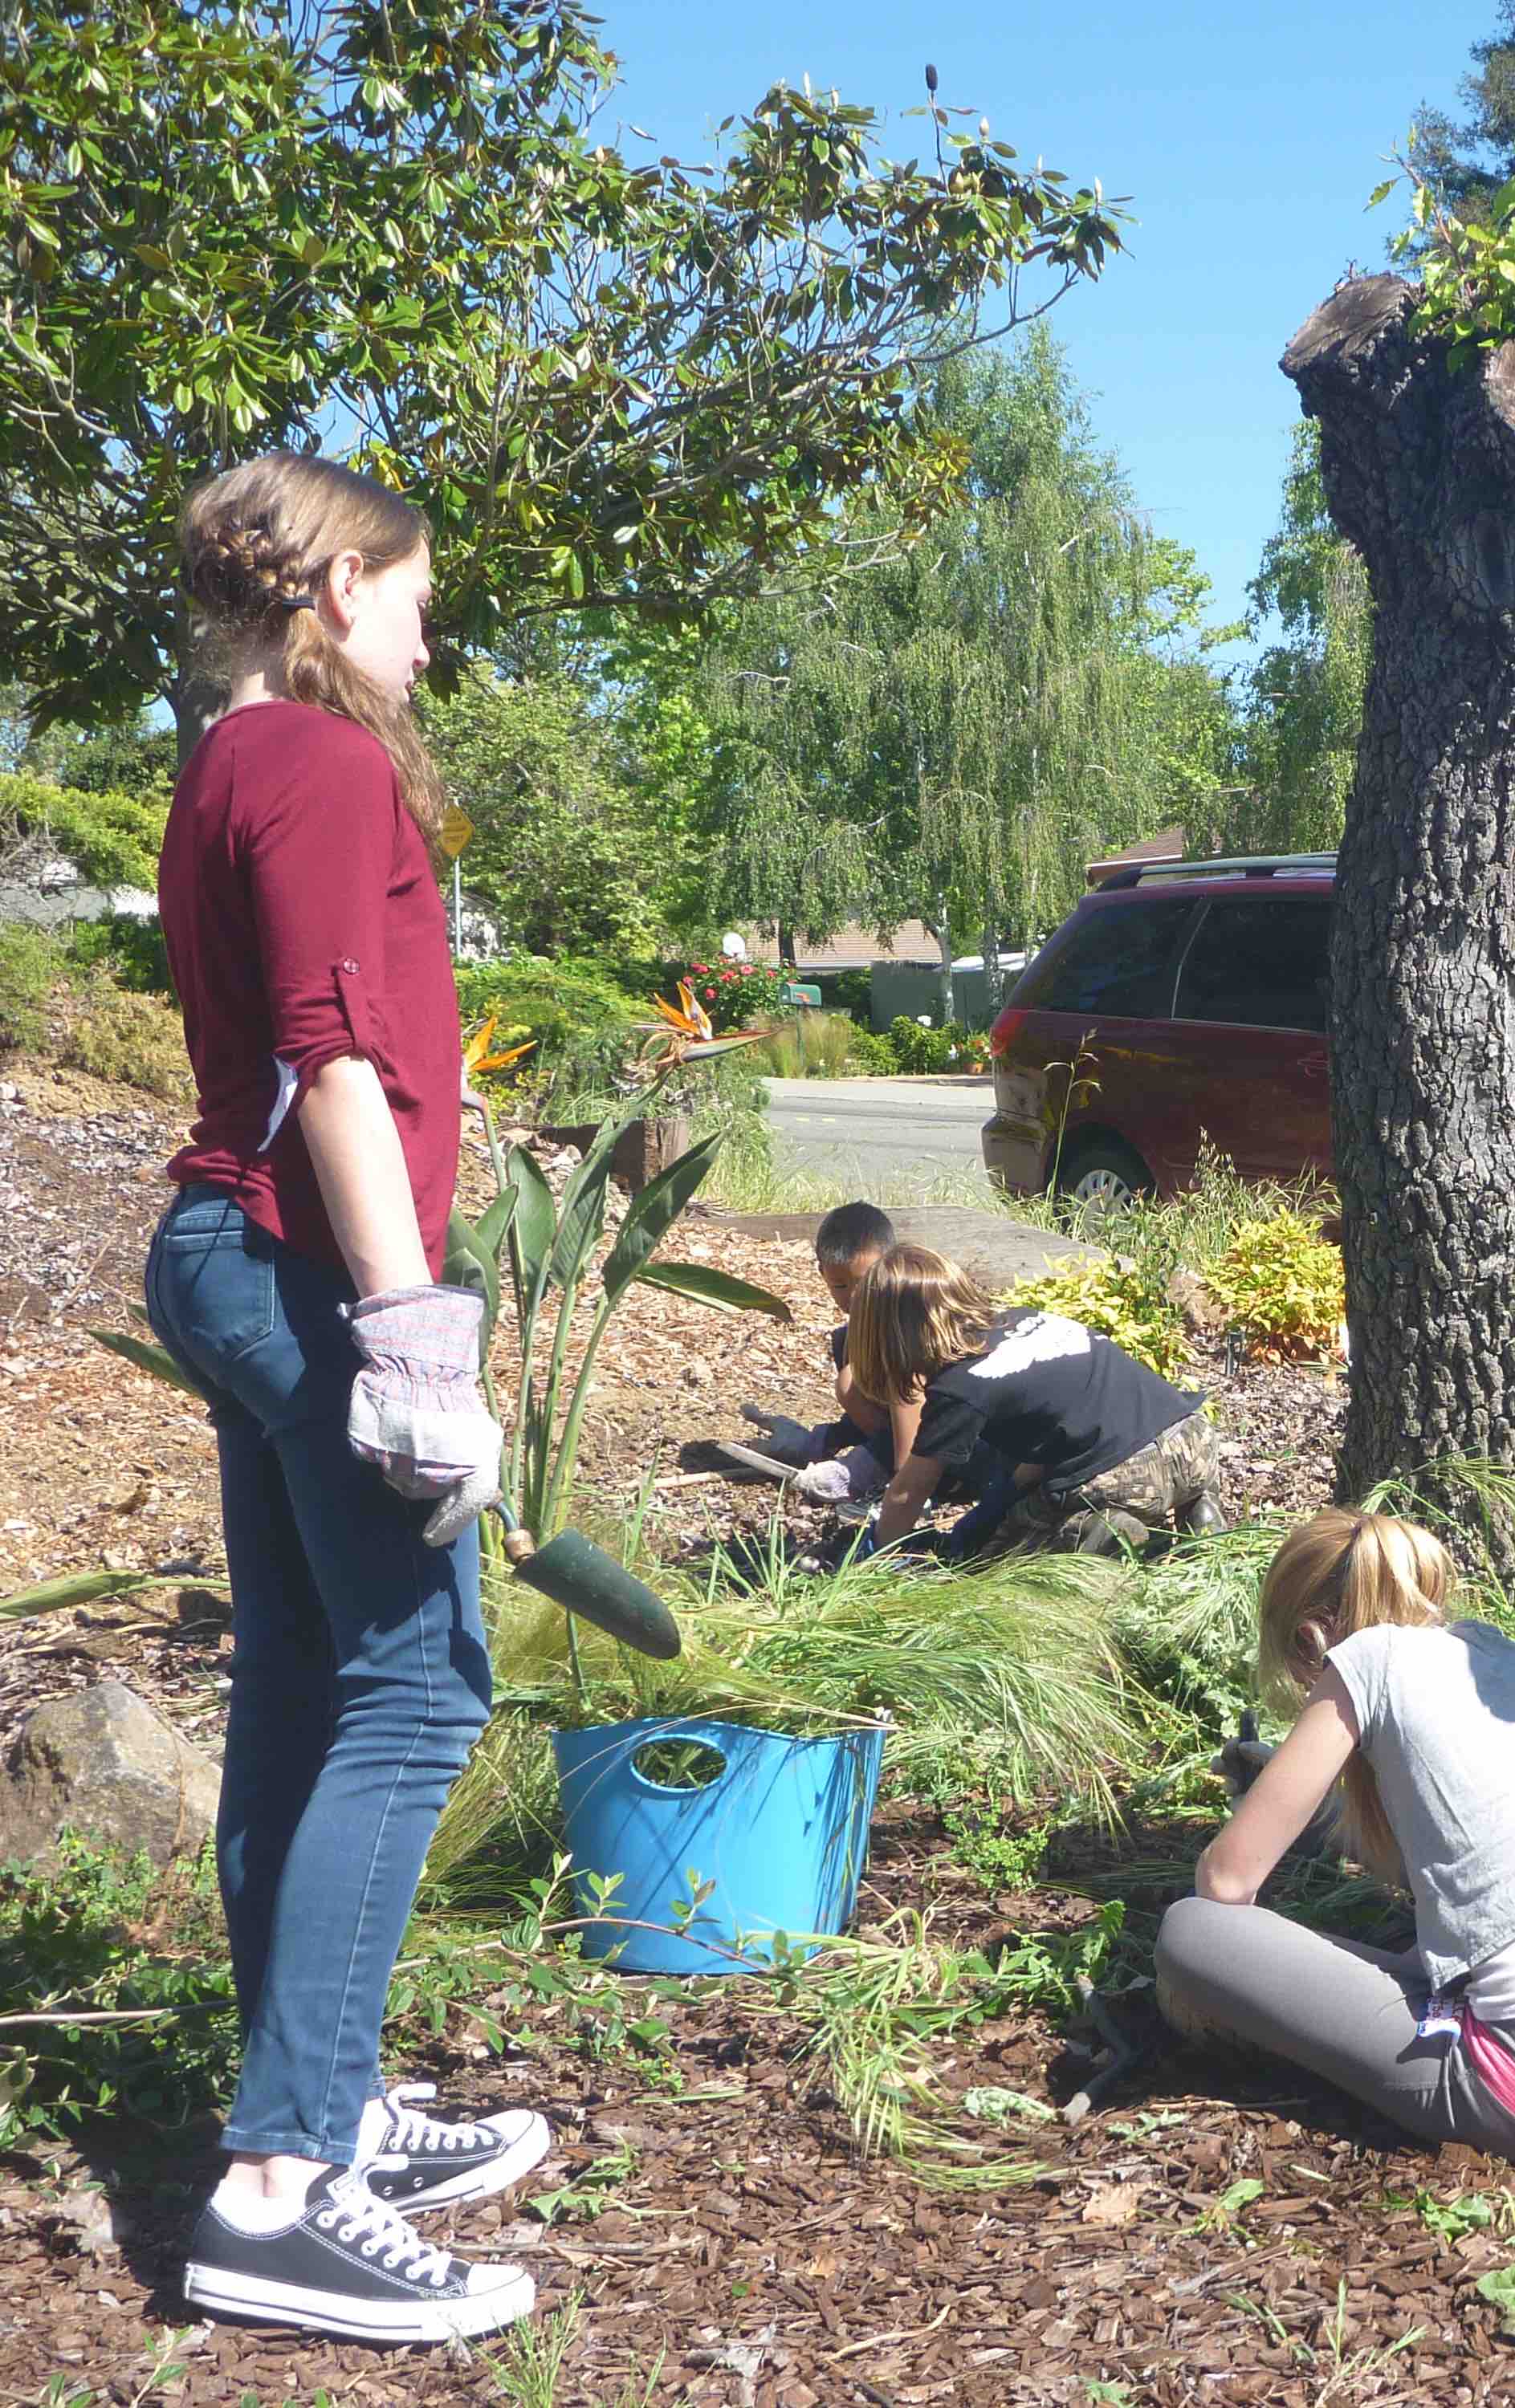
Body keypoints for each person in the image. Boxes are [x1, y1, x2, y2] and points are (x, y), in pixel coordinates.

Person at [145, 454, 545, 2341]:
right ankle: (285, 2175)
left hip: (237, 1255)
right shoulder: (314, 762)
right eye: (405, 591)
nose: (424, 626)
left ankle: (320, 2096)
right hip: (305, 1262)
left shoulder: (222, 759)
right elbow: (332, 1060)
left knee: (307, 1691)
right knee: (416, 1685)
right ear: (322, 589)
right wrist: (412, 1326)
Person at [1155, 1510, 1515, 2166]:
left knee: (1190, 1930)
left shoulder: (1365, 1660)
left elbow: (1225, 1884)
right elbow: (1472, 1865)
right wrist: (1302, 1811)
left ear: (1314, 1638)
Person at [849, 1243, 1225, 1560]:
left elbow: (908, 1490)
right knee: (1019, 1503)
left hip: (1134, 1477)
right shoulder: (1025, 1320)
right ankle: (1198, 1509)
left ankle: (1098, 1533)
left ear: (888, 1338)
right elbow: (1039, 1455)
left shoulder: (960, 1388)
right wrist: (999, 1501)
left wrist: (878, 1552)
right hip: (1194, 1439)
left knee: (1000, 1554)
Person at [723, 1198, 898, 1505]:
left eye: (864, 1282)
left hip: (944, 1449)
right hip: (895, 1440)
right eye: (840, 1286)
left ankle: (883, 1469)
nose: (854, 1297)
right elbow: (874, 1414)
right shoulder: (849, 1339)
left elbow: (924, 1416)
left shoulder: (909, 1329)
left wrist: (861, 1467)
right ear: (823, 1274)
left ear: (891, 1265)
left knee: (849, 1385)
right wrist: (820, 1441)